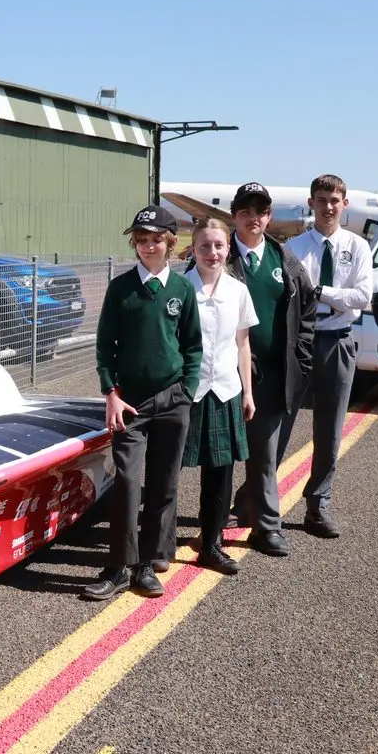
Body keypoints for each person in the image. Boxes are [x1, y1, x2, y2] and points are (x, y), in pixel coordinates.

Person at [86, 205, 203, 601]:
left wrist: (186, 390)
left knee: (164, 484)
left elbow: (193, 346)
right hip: (130, 404)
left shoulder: (182, 289)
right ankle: (118, 567)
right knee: (127, 482)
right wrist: (111, 393)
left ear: (170, 243)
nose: (148, 246)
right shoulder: (121, 288)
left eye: (156, 239)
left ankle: (148, 564)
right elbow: (105, 346)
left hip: (173, 399)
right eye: (141, 240)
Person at [224, 183, 316, 557]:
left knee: (265, 455)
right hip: (225, 374)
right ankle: (215, 523)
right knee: (220, 453)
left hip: (273, 375)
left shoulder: (285, 261)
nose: (253, 218)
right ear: (234, 215)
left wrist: (301, 360)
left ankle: (266, 527)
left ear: (269, 216)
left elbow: (307, 311)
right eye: (245, 211)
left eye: (260, 211)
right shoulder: (217, 256)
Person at [283, 174, 375, 538]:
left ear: (344, 204)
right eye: (321, 200)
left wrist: (321, 291)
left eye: (335, 200)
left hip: (337, 341)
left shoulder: (358, 247)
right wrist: (339, 296)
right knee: (278, 425)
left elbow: (362, 297)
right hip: (300, 343)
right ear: (311, 203)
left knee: (330, 431)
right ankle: (253, 501)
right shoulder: (293, 248)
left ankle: (318, 506)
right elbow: (288, 295)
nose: (328, 207)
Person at [180, 219, 257, 575]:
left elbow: (243, 344)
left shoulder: (238, 291)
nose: (212, 252)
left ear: (228, 249)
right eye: (205, 246)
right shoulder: (180, 287)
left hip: (225, 390)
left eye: (219, 246)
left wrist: (248, 392)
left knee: (220, 475)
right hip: (186, 390)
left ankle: (211, 545)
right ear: (193, 249)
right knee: (167, 471)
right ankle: (158, 546)